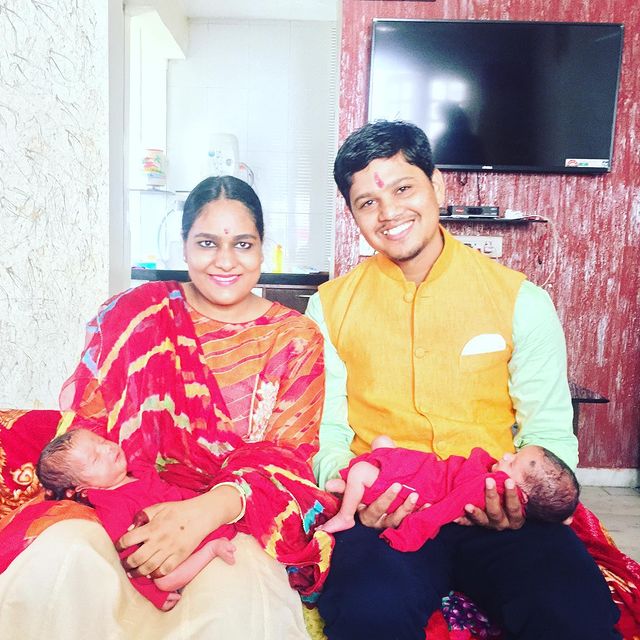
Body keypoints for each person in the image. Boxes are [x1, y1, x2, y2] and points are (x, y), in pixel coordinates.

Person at [305, 120, 621, 639]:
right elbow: (328, 430)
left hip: (497, 507)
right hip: (388, 508)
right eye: (367, 202)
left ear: (437, 183)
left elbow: (548, 430)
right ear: (352, 214)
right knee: (367, 615)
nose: (389, 212)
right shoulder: (329, 307)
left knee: (573, 614)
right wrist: (350, 487)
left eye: (403, 188)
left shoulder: (521, 300)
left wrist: (519, 498)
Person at [0, 175, 335, 640]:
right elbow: (93, 429)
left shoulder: (293, 338)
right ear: (184, 246)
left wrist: (203, 513)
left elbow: (287, 456)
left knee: (242, 604)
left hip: (232, 518)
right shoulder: (136, 315)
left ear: (262, 247)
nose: (225, 261)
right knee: (59, 560)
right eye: (206, 243)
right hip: (123, 505)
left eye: (242, 243)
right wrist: (123, 509)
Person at [37, 428, 238, 611]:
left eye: (102, 441)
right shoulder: (113, 506)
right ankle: (211, 549)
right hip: (170, 550)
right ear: (83, 488)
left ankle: (217, 526)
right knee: (165, 581)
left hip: (190, 515)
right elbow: (129, 556)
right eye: (96, 459)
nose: (107, 449)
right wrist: (155, 595)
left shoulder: (138, 470)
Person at [319, 436, 580, 549]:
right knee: (381, 444)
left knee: (362, 470)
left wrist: (407, 534)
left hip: (425, 491)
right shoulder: (494, 476)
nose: (505, 455)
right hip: (428, 472)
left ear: (521, 497)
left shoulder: (490, 484)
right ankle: (352, 492)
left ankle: (346, 514)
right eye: (514, 454)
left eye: (512, 463)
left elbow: (442, 511)